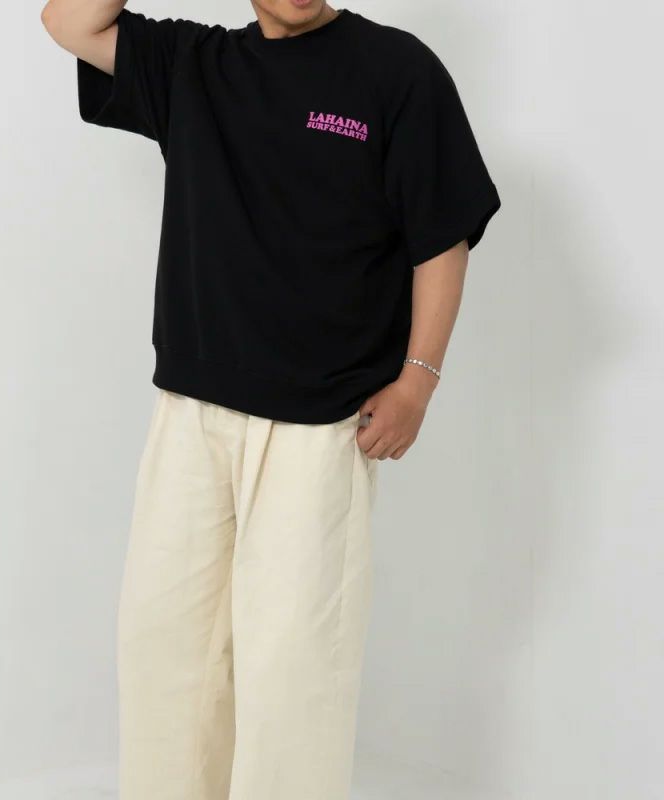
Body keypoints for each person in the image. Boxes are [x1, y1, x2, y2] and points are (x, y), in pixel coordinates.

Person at [41, 1, 501, 797]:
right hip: (190, 416)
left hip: (319, 429)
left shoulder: (398, 71)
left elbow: (442, 238)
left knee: (293, 674)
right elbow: (69, 23)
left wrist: (419, 381)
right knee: (167, 657)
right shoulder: (194, 66)